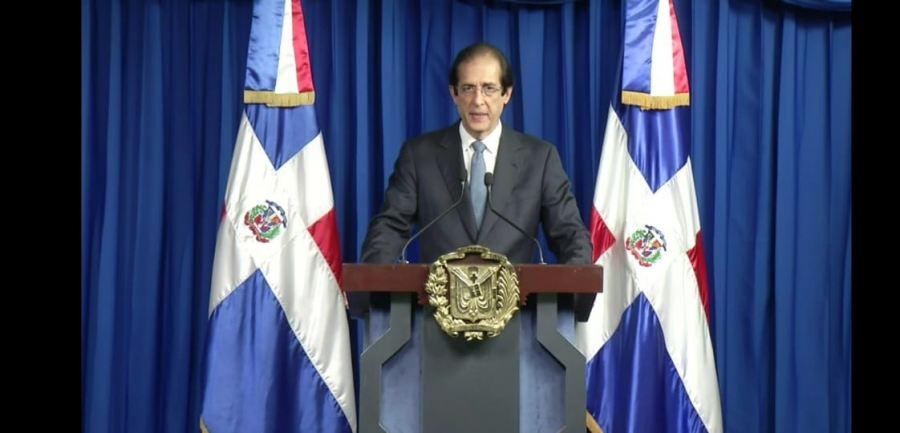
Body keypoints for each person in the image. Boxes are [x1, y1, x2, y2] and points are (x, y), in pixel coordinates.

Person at [360, 41, 591, 272]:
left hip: (515, 295)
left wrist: (574, 285)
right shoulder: (419, 156)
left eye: (489, 88)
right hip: (437, 295)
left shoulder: (540, 159)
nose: (478, 100)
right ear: (454, 93)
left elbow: (570, 235)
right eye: (468, 88)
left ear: (507, 93)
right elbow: (389, 229)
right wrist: (370, 280)